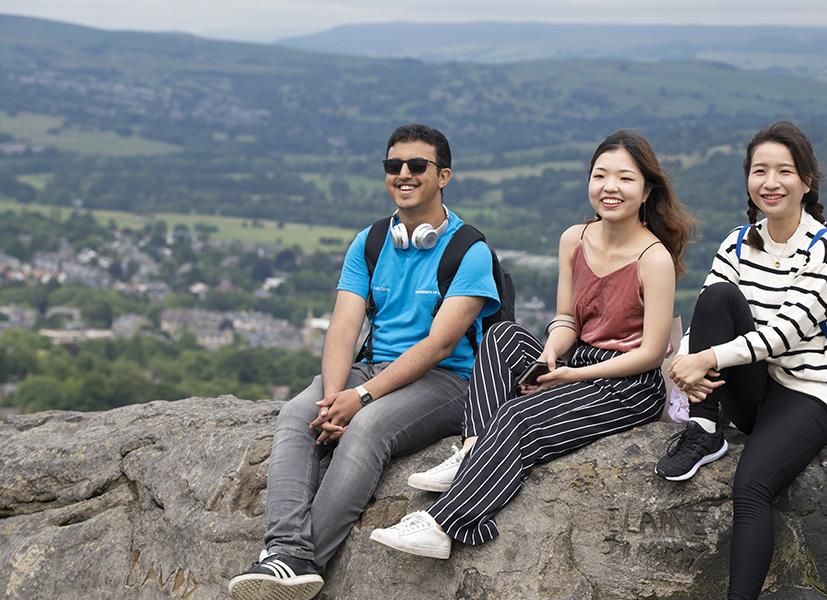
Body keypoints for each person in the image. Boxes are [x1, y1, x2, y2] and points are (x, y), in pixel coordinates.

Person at [368, 129, 693, 558]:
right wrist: (552, 351)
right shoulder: (575, 238)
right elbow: (567, 319)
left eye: (625, 179)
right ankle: (472, 451)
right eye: (600, 176)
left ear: (647, 189)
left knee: (520, 414)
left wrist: (574, 374)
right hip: (576, 359)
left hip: (627, 383)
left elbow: (651, 354)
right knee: (500, 335)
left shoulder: (654, 259)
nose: (610, 188)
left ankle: (446, 523)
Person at [228, 124, 500, 600]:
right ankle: (284, 553)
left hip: (447, 382)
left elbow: (439, 346)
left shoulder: (469, 251)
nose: (404, 174)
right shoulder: (371, 243)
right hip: (370, 370)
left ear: (444, 176)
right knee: (298, 413)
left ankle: (304, 562)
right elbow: (342, 327)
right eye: (393, 166)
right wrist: (335, 396)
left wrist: (360, 398)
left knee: (367, 428)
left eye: (418, 166)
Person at [655, 121, 827, 600]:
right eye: (760, 170)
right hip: (756, 387)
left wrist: (703, 360)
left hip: (811, 392)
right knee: (719, 297)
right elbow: (706, 315)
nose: (771, 182)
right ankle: (704, 430)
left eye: (785, 171)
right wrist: (681, 360)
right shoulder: (737, 241)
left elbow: (783, 335)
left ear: (807, 181)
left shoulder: (826, 249)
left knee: (751, 487)